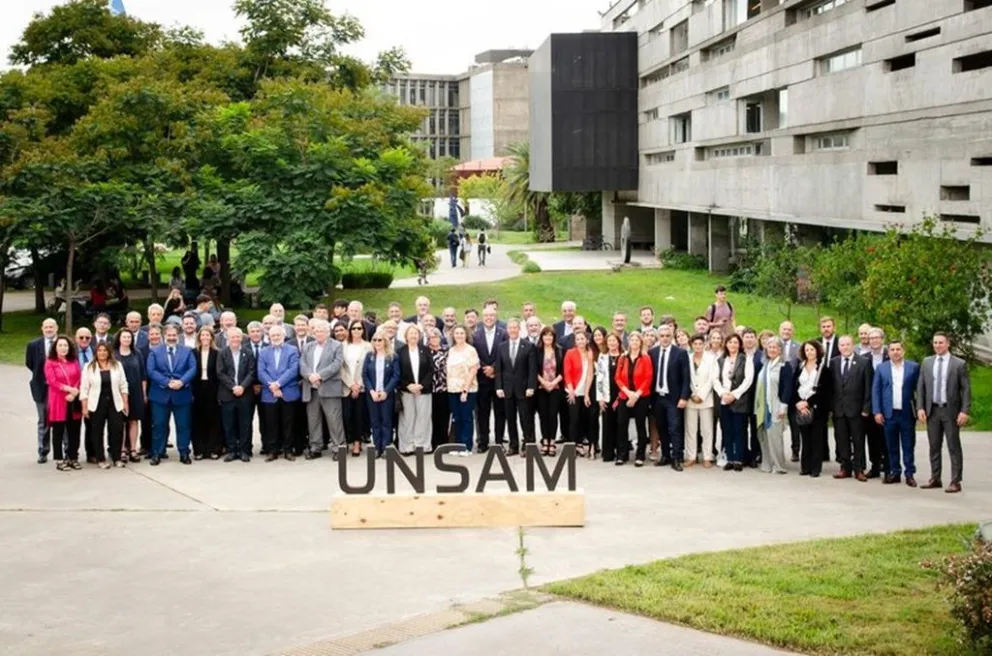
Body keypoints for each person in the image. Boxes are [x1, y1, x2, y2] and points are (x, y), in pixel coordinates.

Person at [917, 332, 970, 494]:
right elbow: (921, 387)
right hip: (932, 410)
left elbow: (966, 389)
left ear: (948, 344)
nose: (937, 345)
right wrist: (920, 407)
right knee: (934, 446)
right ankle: (935, 478)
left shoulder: (958, 364)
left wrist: (964, 410)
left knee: (953, 446)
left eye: (941, 342)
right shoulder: (927, 362)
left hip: (950, 410)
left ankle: (956, 480)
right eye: (935, 343)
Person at [872, 340, 920, 486]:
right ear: (888, 352)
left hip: (906, 413)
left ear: (903, 351)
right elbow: (876, 390)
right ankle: (895, 472)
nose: (895, 352)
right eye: (892, 350)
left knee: (908, 444)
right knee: (891, 445)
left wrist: (920, 409)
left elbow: (920, 390)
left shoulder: (913, 367)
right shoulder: (882, 368)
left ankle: (910, 473)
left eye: (898, 349)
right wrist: (877, 411)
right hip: (888, 413)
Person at [146, 324, 196, 465]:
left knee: (183, 425)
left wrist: (182, 381)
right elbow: (151, 370)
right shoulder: (154, 352)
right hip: (160, 395)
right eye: (169, 335)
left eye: (174, 335)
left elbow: (192, 368)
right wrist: (167, 382)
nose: (172, 338)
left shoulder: (187, 351)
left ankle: (184, 452)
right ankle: (157, 453)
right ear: (164, 336)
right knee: (159, 425)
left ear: (178, 336)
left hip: (182, 394)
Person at [79, 342, 130, 469]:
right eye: (100, 350)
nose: (102, 353)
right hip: (96, 403)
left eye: (105, 350)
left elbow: (123, 385)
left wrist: (125, 402)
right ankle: (100, 459)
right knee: (97, 431)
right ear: (96, 353)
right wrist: (84, 407)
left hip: (115, 402)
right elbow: (84, 388)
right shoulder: (89, 367)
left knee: (117, 430)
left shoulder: (117, 365)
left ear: (109, 352)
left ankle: (117, 458)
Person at [830, 335, 873, 481]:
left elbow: (868, 387)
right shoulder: (834, 362)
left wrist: (866, 408)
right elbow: (832, 387)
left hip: (857, 409)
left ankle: (859, 469)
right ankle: (845, 468)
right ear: (839, 347)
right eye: (842, 345)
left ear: (853, 345)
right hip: (839, 409)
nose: (845, 347)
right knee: (841, 440)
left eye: (847, 344)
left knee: (858, 440)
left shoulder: (864, 362)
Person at [299, 319, 344, 460]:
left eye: (321, 331)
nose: (318, 333)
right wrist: (310, 376)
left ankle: (339, 448)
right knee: (313, 420)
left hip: (329, 387)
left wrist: (319, 375)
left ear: (328, 332)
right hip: (311, 387)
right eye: (316, 331)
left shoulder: (336, 345)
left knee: (334, 419)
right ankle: (315, 447)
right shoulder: (308, 346)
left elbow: (337, 364)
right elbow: (302, 363)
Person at [258, 325, 302, 462]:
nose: (275, 337)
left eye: (278, 335)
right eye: (273, 336)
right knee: (271, 424)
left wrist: (278, 384)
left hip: (287, 392)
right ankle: (273, 450)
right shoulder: (263, 352)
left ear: (283, 336)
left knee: (288, 423)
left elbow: (293, 369)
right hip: (269, 393)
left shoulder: (293, 350)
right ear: (269, 337)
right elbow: (261, 371)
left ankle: (288, 450)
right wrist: (272, 385)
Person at [650, 325, 691, 471]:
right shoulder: (652, 352)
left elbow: (686, 377)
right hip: (657, 397)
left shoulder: (680, 353)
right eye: (662, 336)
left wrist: (684, 397)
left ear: (672, 336)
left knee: (674, 428)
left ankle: (676, 458)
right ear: (658, 337)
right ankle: (665, 455)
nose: (665, 338)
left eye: (668, 335)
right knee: (662, 427)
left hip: (673, 398)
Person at [713, 333, 755, 472]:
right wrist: (722, 394)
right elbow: (715, 379)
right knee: (727, 431)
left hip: (739, 400)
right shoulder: (720, 360)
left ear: (740, 344)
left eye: (736, 342)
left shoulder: (746, 359)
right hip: (724, 400)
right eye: (730, 342)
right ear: (726, 344)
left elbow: (748, 380)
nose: (733, 345)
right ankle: (729, 458)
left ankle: (739, 459)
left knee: (740, 431)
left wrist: (734, 395)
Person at [495, 318, 536, 457]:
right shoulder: (501, 347)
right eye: (510, 328)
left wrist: (531, 386)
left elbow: (532, 369)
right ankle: (513, 445)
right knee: (510, 418)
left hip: (523, 389)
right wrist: (498, 387)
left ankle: (527, 444)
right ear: (507, 330)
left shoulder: (528, 346)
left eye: (515, 327)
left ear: (519, 329)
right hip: (507, 389)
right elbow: (499, 369)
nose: (512, 330)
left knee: (526, 418)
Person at [754, 337, 793, 475]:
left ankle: (779, 466)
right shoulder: (765, 364)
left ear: (780, 350)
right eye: (769, 347)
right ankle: (767, 464)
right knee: (763, 435)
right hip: (762, 407)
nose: (771, 349)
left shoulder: (784, 365)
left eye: (774, 347)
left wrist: (783, 406)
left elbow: (788, 388)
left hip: (776, 406)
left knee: (775, 436)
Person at [216, 328, 256, 463]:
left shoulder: (248, 353)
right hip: (228, 394)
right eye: (232, 337)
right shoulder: (222, 353)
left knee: (245, 423)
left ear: (241, 338)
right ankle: (232, 450)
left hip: (245, 394)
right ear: (228, 338)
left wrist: (242, 387)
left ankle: (244, 450)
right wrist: (233, 387)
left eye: (238, 337)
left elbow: (252, 372)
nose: (235, 340)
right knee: (229, 424)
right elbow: (220, 373)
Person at [44, 336, 83, 471]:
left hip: (74, 398)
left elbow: (79, 377)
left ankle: (73, 457)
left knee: (74, 430)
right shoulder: (50, 362)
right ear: (55, 347)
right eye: (60, 345)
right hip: (58, 400)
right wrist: (68, 389)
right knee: (59, 431)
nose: (63, 348)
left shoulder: (74, 361)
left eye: (65, 345)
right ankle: (59, 459)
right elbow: (52, 381)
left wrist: (74, 391)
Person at [793, 340, 831, 478]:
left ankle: (815, 468)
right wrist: (798, 402)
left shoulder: (823, 369)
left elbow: (825, 391)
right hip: (800, 407)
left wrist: (807, 403)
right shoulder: (800, 366)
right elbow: (795, 386)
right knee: (805, 438)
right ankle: (805, 467)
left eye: (812, 350)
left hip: (817, 408)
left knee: (816, 438)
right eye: (807, 350)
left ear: (818, 351)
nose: (809, 352)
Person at [615, 331, 653, 466]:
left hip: (641, 396)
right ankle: (622, 454)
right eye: (632, 340)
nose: (635, 343)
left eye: (637, 340)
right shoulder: (622, 358)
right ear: (629, 342)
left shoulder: (645, 358)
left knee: (640, 425)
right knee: (621, 424)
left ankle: (640, 455)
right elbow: (617, 378)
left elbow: (648, 378)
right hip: (625, 395)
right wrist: (627, 392)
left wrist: (636, 395)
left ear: (641, 342)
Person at [363, 328, 401, 458]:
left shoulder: (392, 356)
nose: (377, 342)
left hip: (387, 394)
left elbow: (396, 376)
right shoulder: (369, 356)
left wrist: (386, 391)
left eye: (380, 340)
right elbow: (365, 375)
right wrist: (371, 391)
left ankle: (386, 447)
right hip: (372, 395)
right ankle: (376, 447)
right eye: (374, 340)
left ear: (385, 341)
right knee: (374, 421)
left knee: (386, 421)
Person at [474, 307, 507, 451]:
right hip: (482, 379)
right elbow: (474, 355)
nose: (489, 318)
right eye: (486, 315)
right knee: (483, 412)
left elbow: (505, 354)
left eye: (492, 315)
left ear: (496, 316)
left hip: (499, 378)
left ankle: (499, 441)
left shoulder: (503, 333)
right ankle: (483, 442)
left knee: (500, 412)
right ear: (483, 317)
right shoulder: (476, 335)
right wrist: (484, 368)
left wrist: (493, 368)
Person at [396, 324, 433, 454]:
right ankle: (407, 446)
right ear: (406, 336)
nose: (413, 335)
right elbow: (397, 372)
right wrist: (408, 386)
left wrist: (421, 385)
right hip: (406, 390)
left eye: (416, 333)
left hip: (424, 389)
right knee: (407, 418)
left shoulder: (426, 350)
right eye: (411, 333)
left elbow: (430, 370)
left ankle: (422, 445)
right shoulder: (400, 352)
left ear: (419, 336)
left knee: (423, 417)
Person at [27, 318, 59, 464]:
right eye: (46, 327)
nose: (49, 329)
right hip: (41, 387)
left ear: (56, 328)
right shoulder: (33, 345)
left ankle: (65, 450)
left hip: (59, 388)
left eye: (51, 327)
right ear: (42, 328)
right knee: (43, 420)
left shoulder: (64, 343)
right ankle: (43, 451)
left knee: (62, 419)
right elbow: (30, 364)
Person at [444, 325, 480, 455]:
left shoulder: (471, 350)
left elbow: (473, 370)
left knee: (466, 417)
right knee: (456, 417)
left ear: (466, 335)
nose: (459, 336)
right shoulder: (452, 350)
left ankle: (467, 446)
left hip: (467, 389)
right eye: (457, 333)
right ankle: (457, 445)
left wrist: (465, 390)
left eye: (462, 333)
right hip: (452, 389)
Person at [563, 329, 597, 458]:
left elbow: (590, 375)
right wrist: (571, 390)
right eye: (578, 339)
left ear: (587, 340)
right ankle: (572, 444)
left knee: (584, 418)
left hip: (585, 390)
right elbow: (567, 372)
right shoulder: (570, 353)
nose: (580, 341)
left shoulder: (590, 353)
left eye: (582, 339)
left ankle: (580, 443)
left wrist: (587, 393)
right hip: (572, 390)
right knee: (574, 418)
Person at [114, 329, 146, 463]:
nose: (127, 339)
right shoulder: (114, 354)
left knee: (133, 420)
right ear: (119, 339)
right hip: (118, 392)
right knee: (120, 421)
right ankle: (122, 449)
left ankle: (133, 449)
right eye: (124, 337)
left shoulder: (137, 353)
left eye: (129, 337)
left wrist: (143, 394)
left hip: (135, 391)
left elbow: (143, 375)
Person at [685, 333, 716, 468]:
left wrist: (701, 395)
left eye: (700, 344)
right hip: (691, 399)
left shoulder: (711, 359)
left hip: (706, 399)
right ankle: (691, 456)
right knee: (691, 429)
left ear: (704, 345)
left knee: (706, 429)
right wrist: (692, 394)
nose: (698, 346)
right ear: (691, 345)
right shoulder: (687, 358)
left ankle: (707, 456)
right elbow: (685, 378)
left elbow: (712, 379)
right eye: (695, 344)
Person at [341, 319, 371, 457]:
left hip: (361, 387)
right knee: (347, 416)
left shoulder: (369, 346)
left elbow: (369, 368)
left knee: (359, 416)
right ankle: (349, 440)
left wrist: (358, 385)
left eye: (359, 328)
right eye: (354, 328)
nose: (356, 331)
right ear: (350, 330)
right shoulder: (342, 346)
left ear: (363, 330)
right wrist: (351, 384)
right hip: (346, 386)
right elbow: (340, 368)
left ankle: (357, 443)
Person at [191, 327, 221, 460]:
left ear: (212, 338)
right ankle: (199, 450)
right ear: (199, 338)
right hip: (197, 388)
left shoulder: (217, 353)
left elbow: (219, 373)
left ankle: (213, 449)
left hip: (212, 388)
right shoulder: (193, 353)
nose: (205, 337)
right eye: (202, 335)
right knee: (198, 420)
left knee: (213, 419)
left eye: (207, 335)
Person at [534, 326, 564, 457]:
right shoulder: (537, 351)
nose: (548, 338)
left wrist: (553, 383)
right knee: (543, 415)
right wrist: (544, 382)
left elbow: (563, 370)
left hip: (556, 387)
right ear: (542, 337)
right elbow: (533, 369)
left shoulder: (560, 350)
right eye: (545, 335)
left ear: (554, 337)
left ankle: (552, 441)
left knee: (553, 415)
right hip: (541, 388)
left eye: (550, 335)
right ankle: (545, 440)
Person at [863, 327, 889, 477]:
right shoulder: (865, 357)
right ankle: (874, 466)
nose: (874, 340)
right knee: (872, 437)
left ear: (882, 339)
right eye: (871, 338)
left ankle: (888, 467)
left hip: (886, 404)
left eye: (876, 338)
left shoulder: (890, 355)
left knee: (885, 437)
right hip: (870, 404)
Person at [596, 332, 623, 463]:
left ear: (618, 342)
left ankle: (621, 453)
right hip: (607, 394)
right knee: (607, 423)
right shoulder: (602, 357)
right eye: (609, 341)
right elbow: (599, 378)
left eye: (614, 341)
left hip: (621, 394)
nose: (612, 343)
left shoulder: (624, 356)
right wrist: (600, 398)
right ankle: (608, 452)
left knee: (620, 424)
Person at [427, 328, 451, 451]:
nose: (434, 339)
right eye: (431, 337)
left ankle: (443, 441)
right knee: (432, 416)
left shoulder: (447, 351)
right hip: (430, 388)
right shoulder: (425, 351)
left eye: (436, 336)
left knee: (444, 416)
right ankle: (433, 441)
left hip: (444, 388)